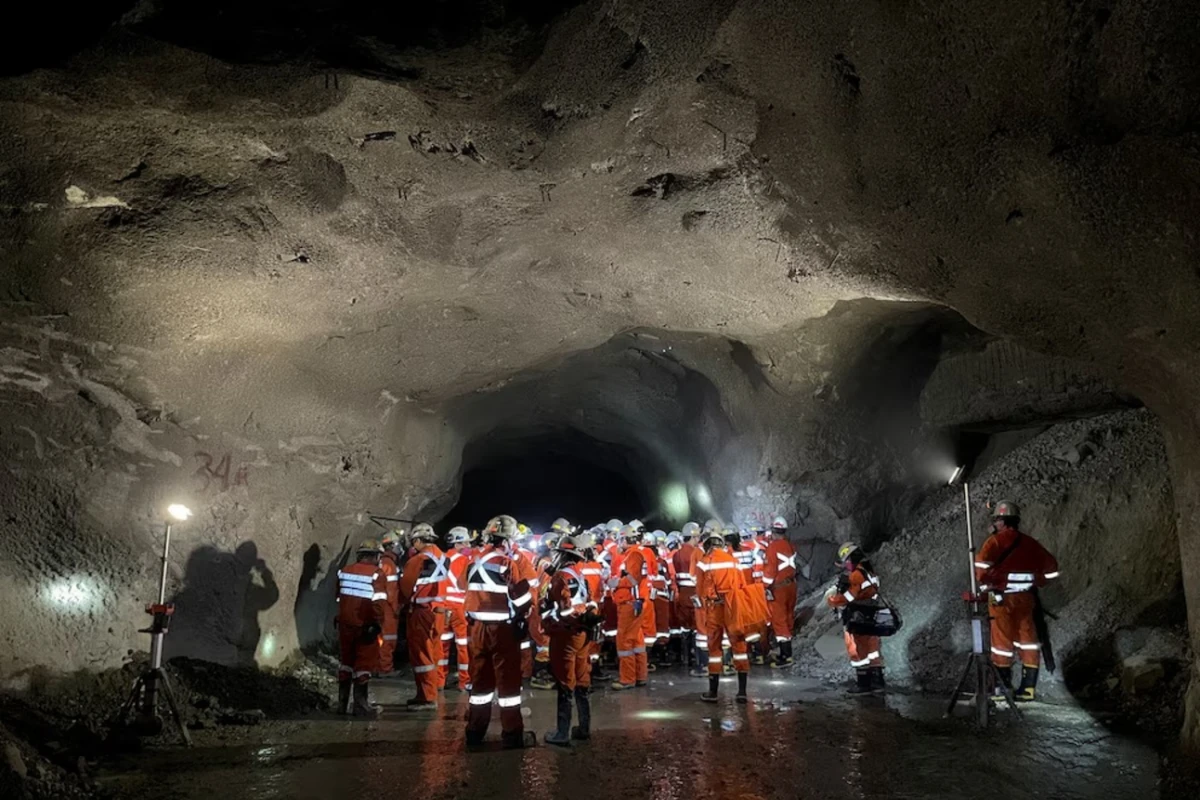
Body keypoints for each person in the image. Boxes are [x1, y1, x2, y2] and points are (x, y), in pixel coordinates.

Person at [464, 515, 538, 748]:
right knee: (508, 685)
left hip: (476, 629)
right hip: (502, 631)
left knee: (480, 684)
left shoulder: (473, 562)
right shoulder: (507, 563)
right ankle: (513, 734)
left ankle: (474, 733)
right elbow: (523, 598)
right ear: (506, 541)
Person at [975, 500, 1059, 702]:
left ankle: (1001, 690)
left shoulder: (994, 542)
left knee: (1001, 643)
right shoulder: (1029, 543)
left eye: (996, 520)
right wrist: (1037, 580)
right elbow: (1052, 569)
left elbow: (980, 570)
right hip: (1026, 598)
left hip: (1001, 599)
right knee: (1028, 641)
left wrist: (987, 589)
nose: (994, 524)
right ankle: (1028, 689)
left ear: (1001, 521)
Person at [541, 533, 599, 746]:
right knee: (582, 677)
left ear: (562, 555)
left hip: (565, 635)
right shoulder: (580, 576)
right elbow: (591, 602)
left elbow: (564, 610)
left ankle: (562, 733)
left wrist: (549, 612)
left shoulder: (560, 578)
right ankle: (584, 728)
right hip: (582, 634)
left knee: (565, 681)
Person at [398, 523, 450, 711]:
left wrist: (401, 605)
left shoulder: (417, 560)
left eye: (414, 542)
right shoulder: (443, 557)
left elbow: (405, 588)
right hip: (440, 612)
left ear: (418, 540)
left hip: (422, 611)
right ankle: (429, 691)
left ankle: (427, 698)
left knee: (422, 653)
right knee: (434, 652)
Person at [694, 525, 749, 703]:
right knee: (739, 646)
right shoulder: (732, 560)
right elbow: (742, 585)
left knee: (715, 649)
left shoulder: (704, 562)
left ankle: (713, 692)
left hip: (715, 608)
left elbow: (701, 590)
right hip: (733, 605)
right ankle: (742, 692)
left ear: (708, 545)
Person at [335, 539, 388, 717]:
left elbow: (338, 596)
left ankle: (341, 704)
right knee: (363, 664)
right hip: (365, 625)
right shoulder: (377, 574)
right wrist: (378, 623)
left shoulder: (344, 571)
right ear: (375, 555)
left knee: (346, 663)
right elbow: (379, 602)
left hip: (344, 624)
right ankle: (360, 705)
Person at [826, 542, 885, 694]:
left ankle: (863, 684)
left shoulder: (856, 575)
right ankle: (878, 682)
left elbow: (849, 597)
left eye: (846, 562)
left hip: (859, 615)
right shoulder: (869, 571)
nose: (845, 566)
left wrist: (833, 601)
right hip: (872, 613)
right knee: (873, 648)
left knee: (857, 649)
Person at [612, 524, 651, 689]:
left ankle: (627, 679)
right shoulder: (635, 554)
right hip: (635, 602)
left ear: (625, 539)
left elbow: (633, 580)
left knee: (625, 641)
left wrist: (615, 582)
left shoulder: (633, 555)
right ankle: (640, 676)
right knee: (636, 641)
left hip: (630, 603)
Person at [762, 516, 798, 668]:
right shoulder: (790, 545)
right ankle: (787, 651)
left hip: (779, 589)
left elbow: (770, 571)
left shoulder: (773, 547)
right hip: (792, 586)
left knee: (779, 619)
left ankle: (785, 656)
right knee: (789, 616)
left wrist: (764, 587)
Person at [674, 522, 706, 677]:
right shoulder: (698, 553)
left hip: (682, 594)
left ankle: (685, 657)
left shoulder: (676, 554)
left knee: (684, 627)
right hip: (695, 594)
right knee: (698, 628)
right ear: (694, 536)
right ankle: (697, 659)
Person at [444, 526, 473, 690]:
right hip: (459, 607)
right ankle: (464, 681)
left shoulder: (441, 558)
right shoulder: (463, 561)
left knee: (442, 645)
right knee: (463, 646)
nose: (468, 546)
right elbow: (464, 585)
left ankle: (439, 681)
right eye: (466, 543)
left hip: (442, 607)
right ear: (457, 543)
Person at [377, 530, 403, 674]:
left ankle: (376, 666)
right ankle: (385, 668)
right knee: (388, 637)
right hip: (387, 606)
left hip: (377, 604)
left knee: (379, 636)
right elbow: (392, 589)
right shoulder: (389, 564)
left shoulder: (380, 560)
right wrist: (396, 607)